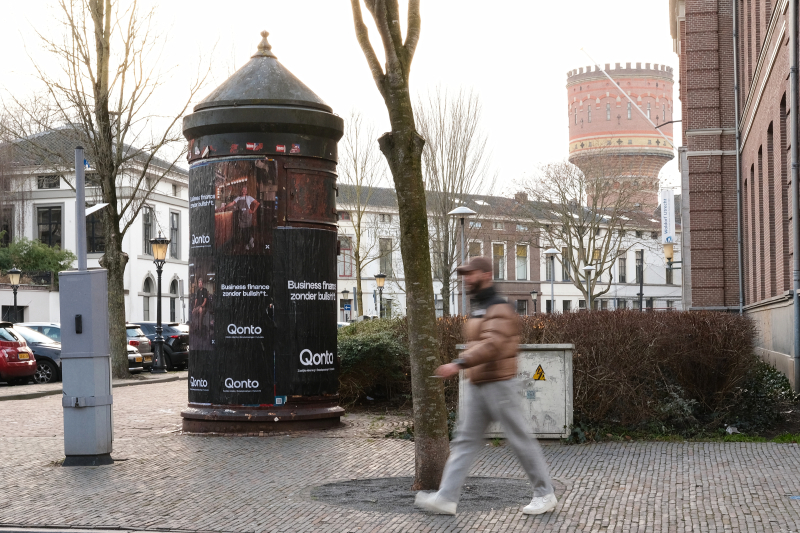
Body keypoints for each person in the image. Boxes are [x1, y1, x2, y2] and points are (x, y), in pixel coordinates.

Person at [414, 256, 558, 516]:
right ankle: (446, 498)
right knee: (464, 442)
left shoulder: (499, 307)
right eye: (465, 274)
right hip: (478, 384)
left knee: (519, 439)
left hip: (500, 384)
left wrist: (459, 363)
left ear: (486, 275)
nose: (466, 279)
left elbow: (492, 344)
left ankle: (545, 494)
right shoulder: (480, 306)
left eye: (471, 274)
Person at [218, 185, 260, 251]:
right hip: (241, 216)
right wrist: (225, 207)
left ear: (246, 191)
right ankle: (248, 241)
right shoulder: (238, 198)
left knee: (247, 230)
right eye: (243, 189)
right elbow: (232, 203)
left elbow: (257, 203)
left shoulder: (249, 197)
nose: (244, 191)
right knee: (243, 230)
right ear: (241, 191)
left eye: (245, 190)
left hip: (248, 216)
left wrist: (253, 211)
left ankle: (249, 241)